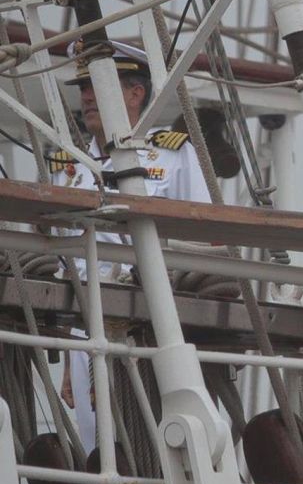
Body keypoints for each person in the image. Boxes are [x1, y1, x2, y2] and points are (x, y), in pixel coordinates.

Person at [49, 41, 210, 459]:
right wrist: (67, 354)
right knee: (96, 449)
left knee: (162, 440)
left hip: (152, 318)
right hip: (83, 322)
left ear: (135, 93)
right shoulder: (68, 164)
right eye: (82, 88)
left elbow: (205, 239)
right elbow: (64, 259)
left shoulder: (173, 154)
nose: (86, 96)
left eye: (96, 84)